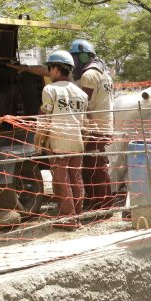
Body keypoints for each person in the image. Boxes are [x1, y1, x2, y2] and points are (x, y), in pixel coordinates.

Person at [39, 50, 89, 230]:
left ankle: (68, 218)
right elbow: (83, 122)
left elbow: (44, 118)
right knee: (76, 179)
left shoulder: (50, 89)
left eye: (49, 68)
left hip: (58, 142)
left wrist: (38, 142)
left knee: (61, 181)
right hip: (77, 141)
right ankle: (78, 216)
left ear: (55, 68)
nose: (49, 72)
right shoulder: (81, 93)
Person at [69, 39, 116, 211]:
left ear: (82, 56)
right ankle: (101, 202)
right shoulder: (104, 73)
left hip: (93, 128)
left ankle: (101, 204)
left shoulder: (88, 75)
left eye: (75, 57)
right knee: (97, 164)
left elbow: (84, 103)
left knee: (93, 168)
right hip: (104, 126)